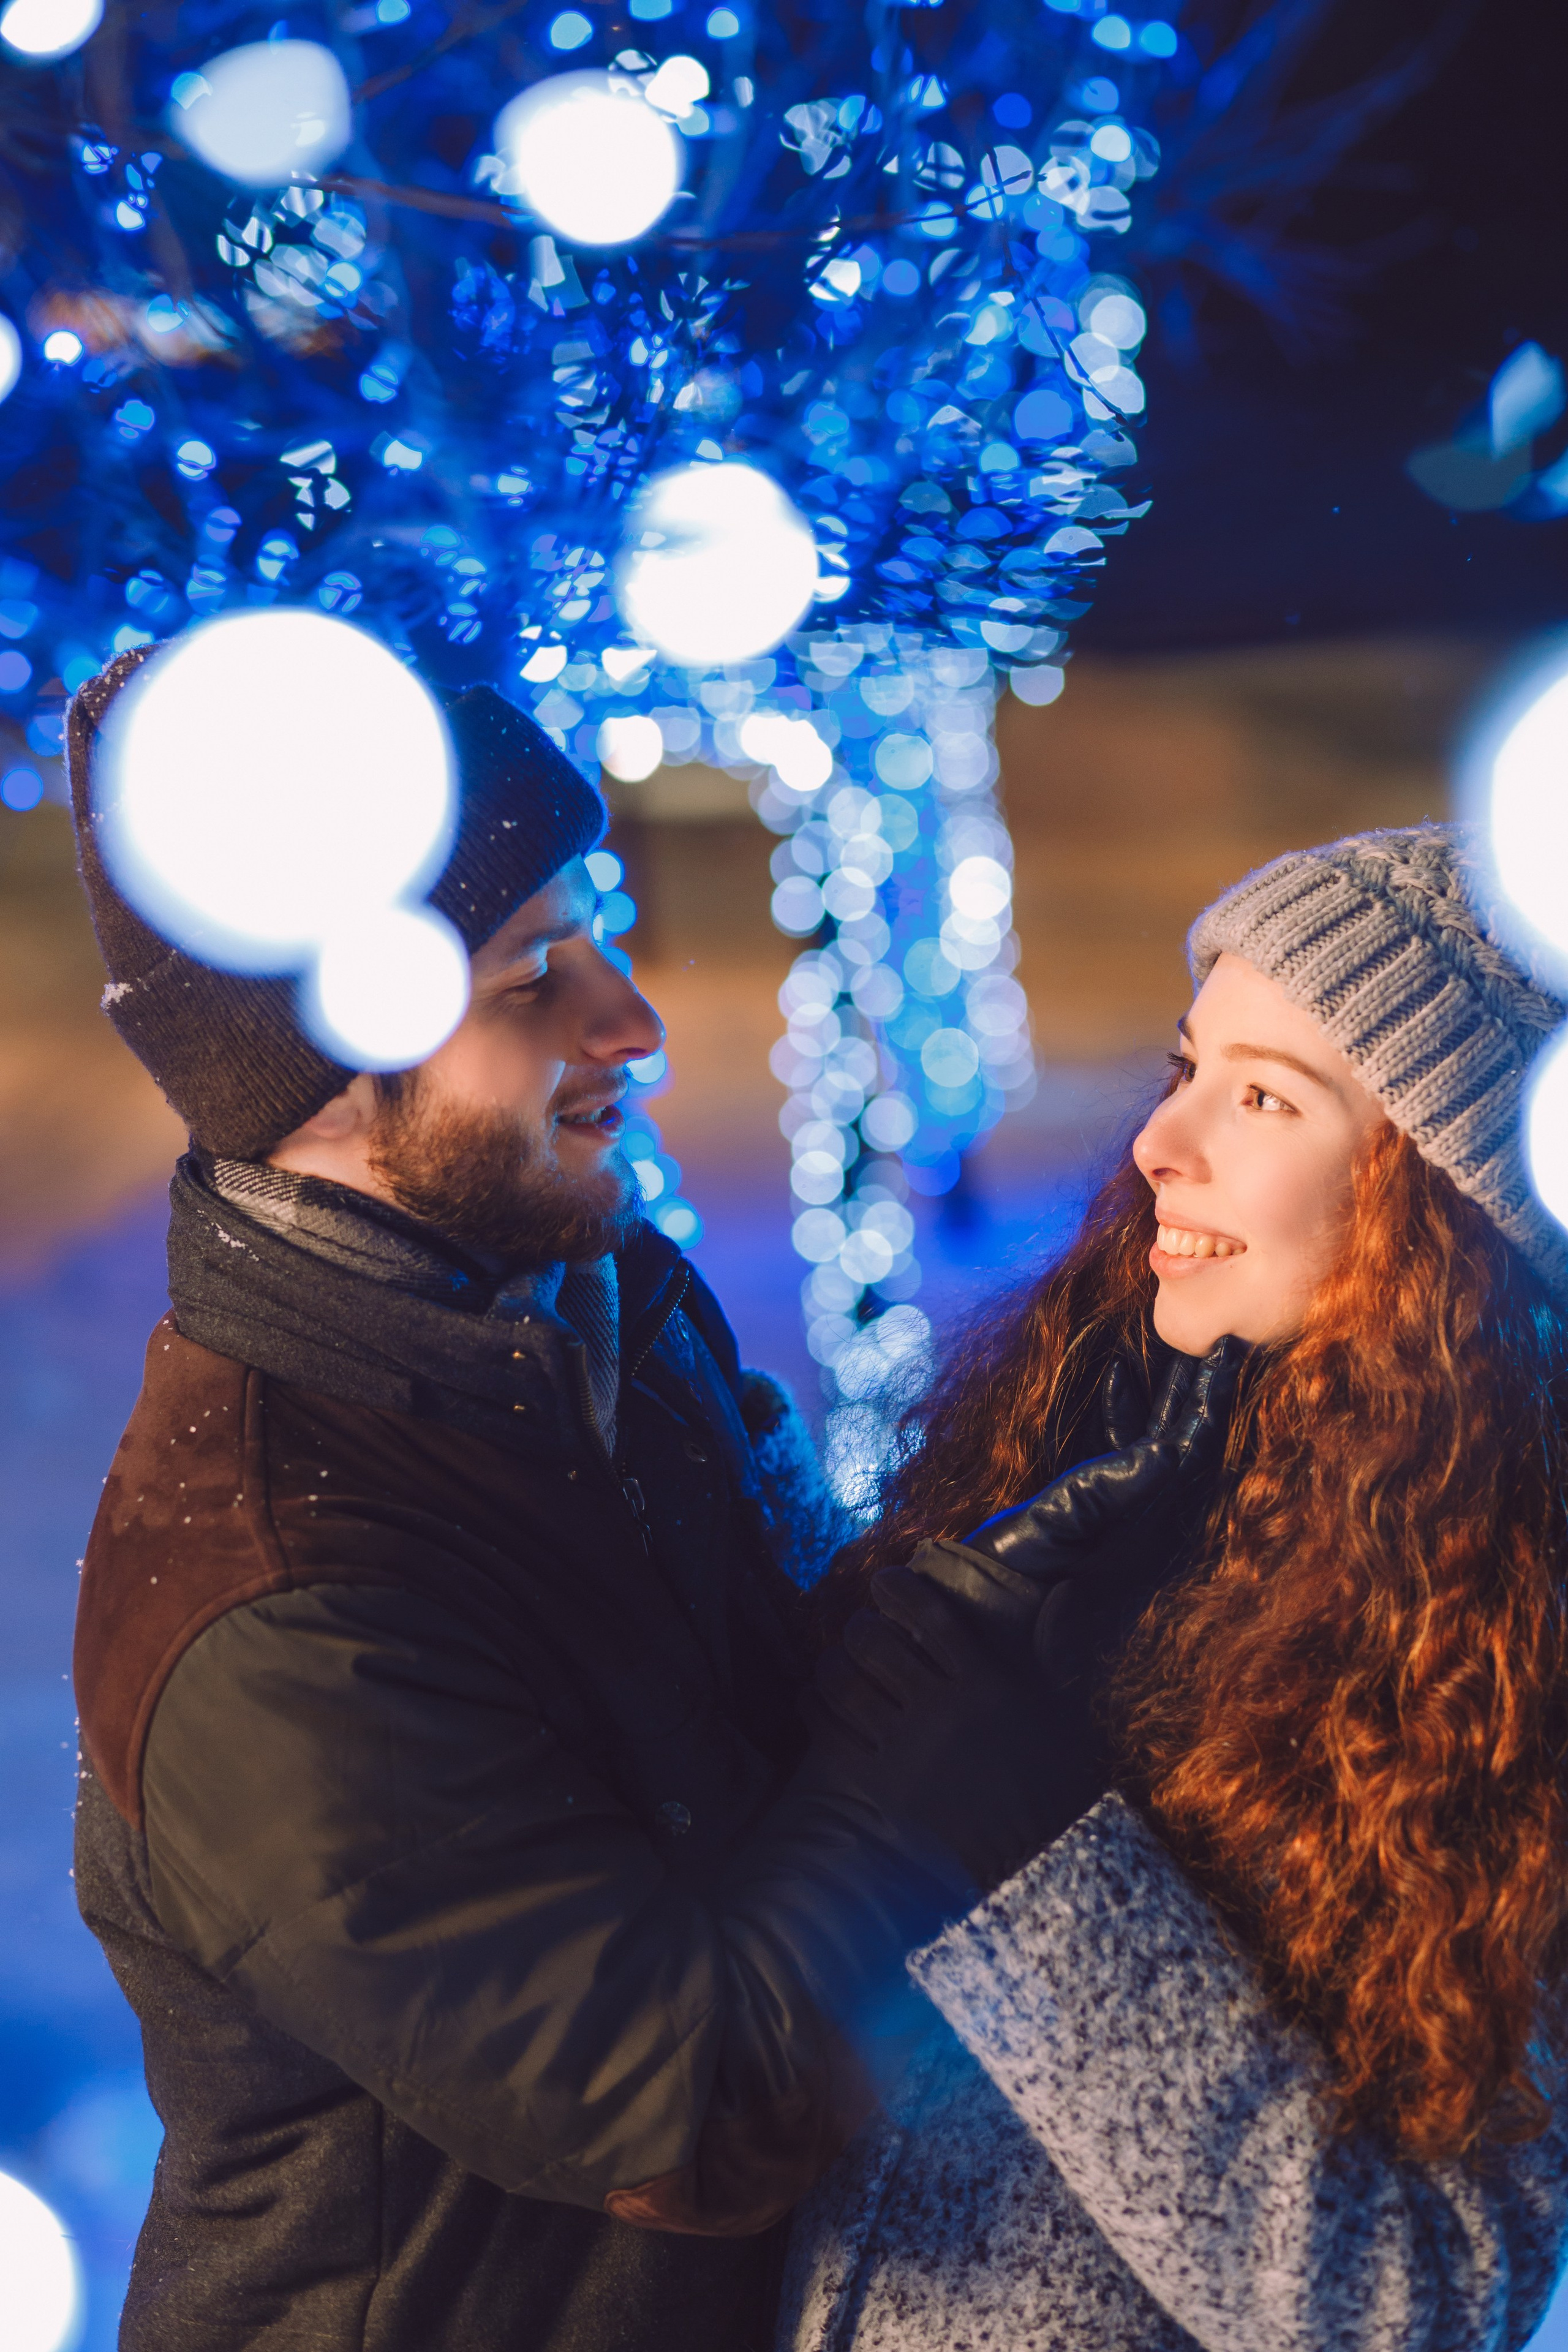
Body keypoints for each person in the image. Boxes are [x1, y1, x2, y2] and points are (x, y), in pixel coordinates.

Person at [66, 644, 1112, 2352]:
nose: (632, 1017)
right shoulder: (273, 1597)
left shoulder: (584, 1299)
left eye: (599, 929)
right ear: (332, 1055)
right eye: (534, 975)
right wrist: (961, 1728)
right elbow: (688, 2111)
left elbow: (774, 1695)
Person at [783, 824, 1568, 2351]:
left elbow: (1406, 2298)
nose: (1161, 1142)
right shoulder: (1091, 1451)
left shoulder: (1515, 1652)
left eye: (1265, 1097)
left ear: (1446, 1208)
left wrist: (1038, 1858)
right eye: (1184, 1066)